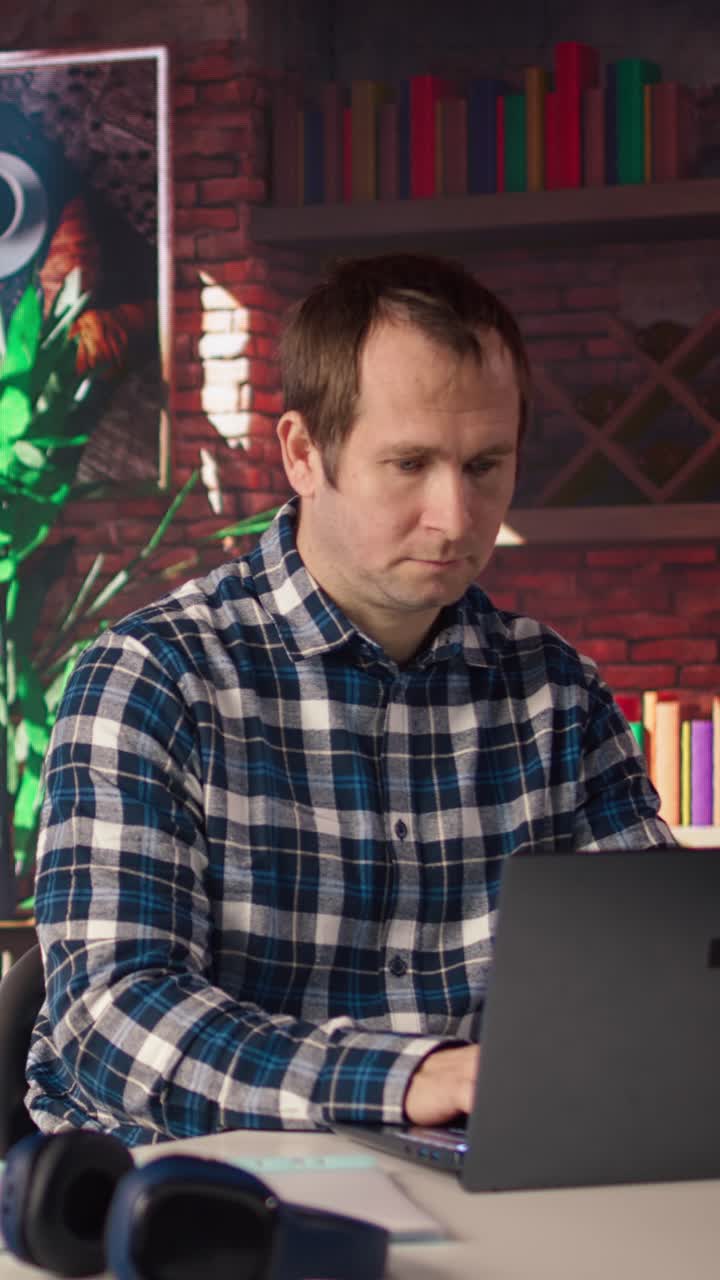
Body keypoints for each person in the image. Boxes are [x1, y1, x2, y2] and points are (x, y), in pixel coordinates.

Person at [27, 252, 673, 1145]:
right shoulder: (152, 679)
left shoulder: (558, 694)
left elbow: (656, 982)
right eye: (409, 463)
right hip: (200, 1185)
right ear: (303, 453)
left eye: (485, 465)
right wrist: (407, 1078)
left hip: (486, 1181)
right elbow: (113, 1019)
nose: (456, 516)